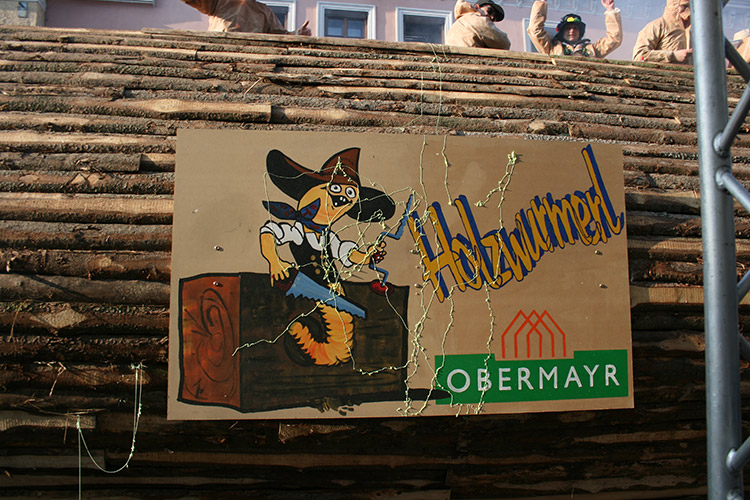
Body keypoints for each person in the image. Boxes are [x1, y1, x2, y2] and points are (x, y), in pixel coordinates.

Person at [527, 0, 622, 58]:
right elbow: (535, 31)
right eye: (568, 28)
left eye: (575, 28)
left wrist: (610, 11)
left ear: (580, 32)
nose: (572, 31)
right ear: (562, 31)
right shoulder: (551, 48)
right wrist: (541, 2)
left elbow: (613, 40)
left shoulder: (592, 49)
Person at [182, 0, 311, 35]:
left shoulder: (264, 11)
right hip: (222, 47)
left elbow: (280, 35)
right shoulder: (220, 1)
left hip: (252, 54)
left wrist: (298, 34)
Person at [445, 0, 511, 50]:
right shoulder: (478, 20)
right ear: (477, 7)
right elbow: (504, 43)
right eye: (489, 11)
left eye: (494, 18)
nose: (492, 17)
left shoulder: (457, 23)